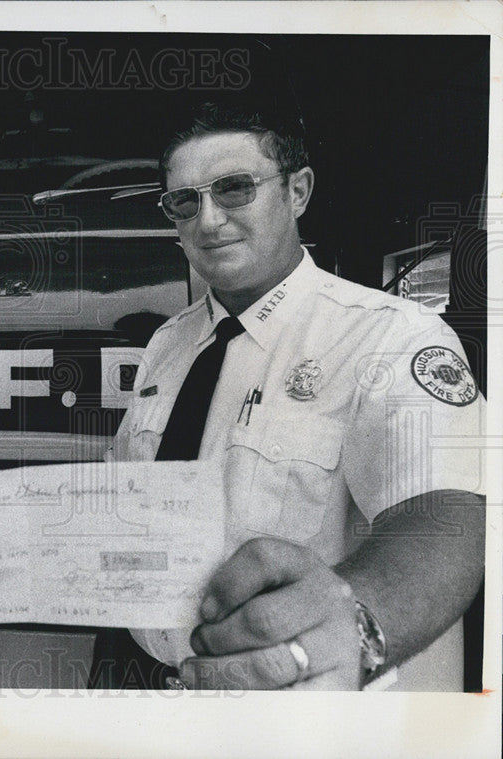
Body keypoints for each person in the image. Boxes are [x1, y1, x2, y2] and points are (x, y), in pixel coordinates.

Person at [99, 102, 485, 690]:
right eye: (184, 201)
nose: (207, 221)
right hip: (145, 682)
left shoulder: (390, 336)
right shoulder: (166, 347)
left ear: (297, 190)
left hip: (290, 699)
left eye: (234, 190)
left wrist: (356, 623)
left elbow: (445, 517)